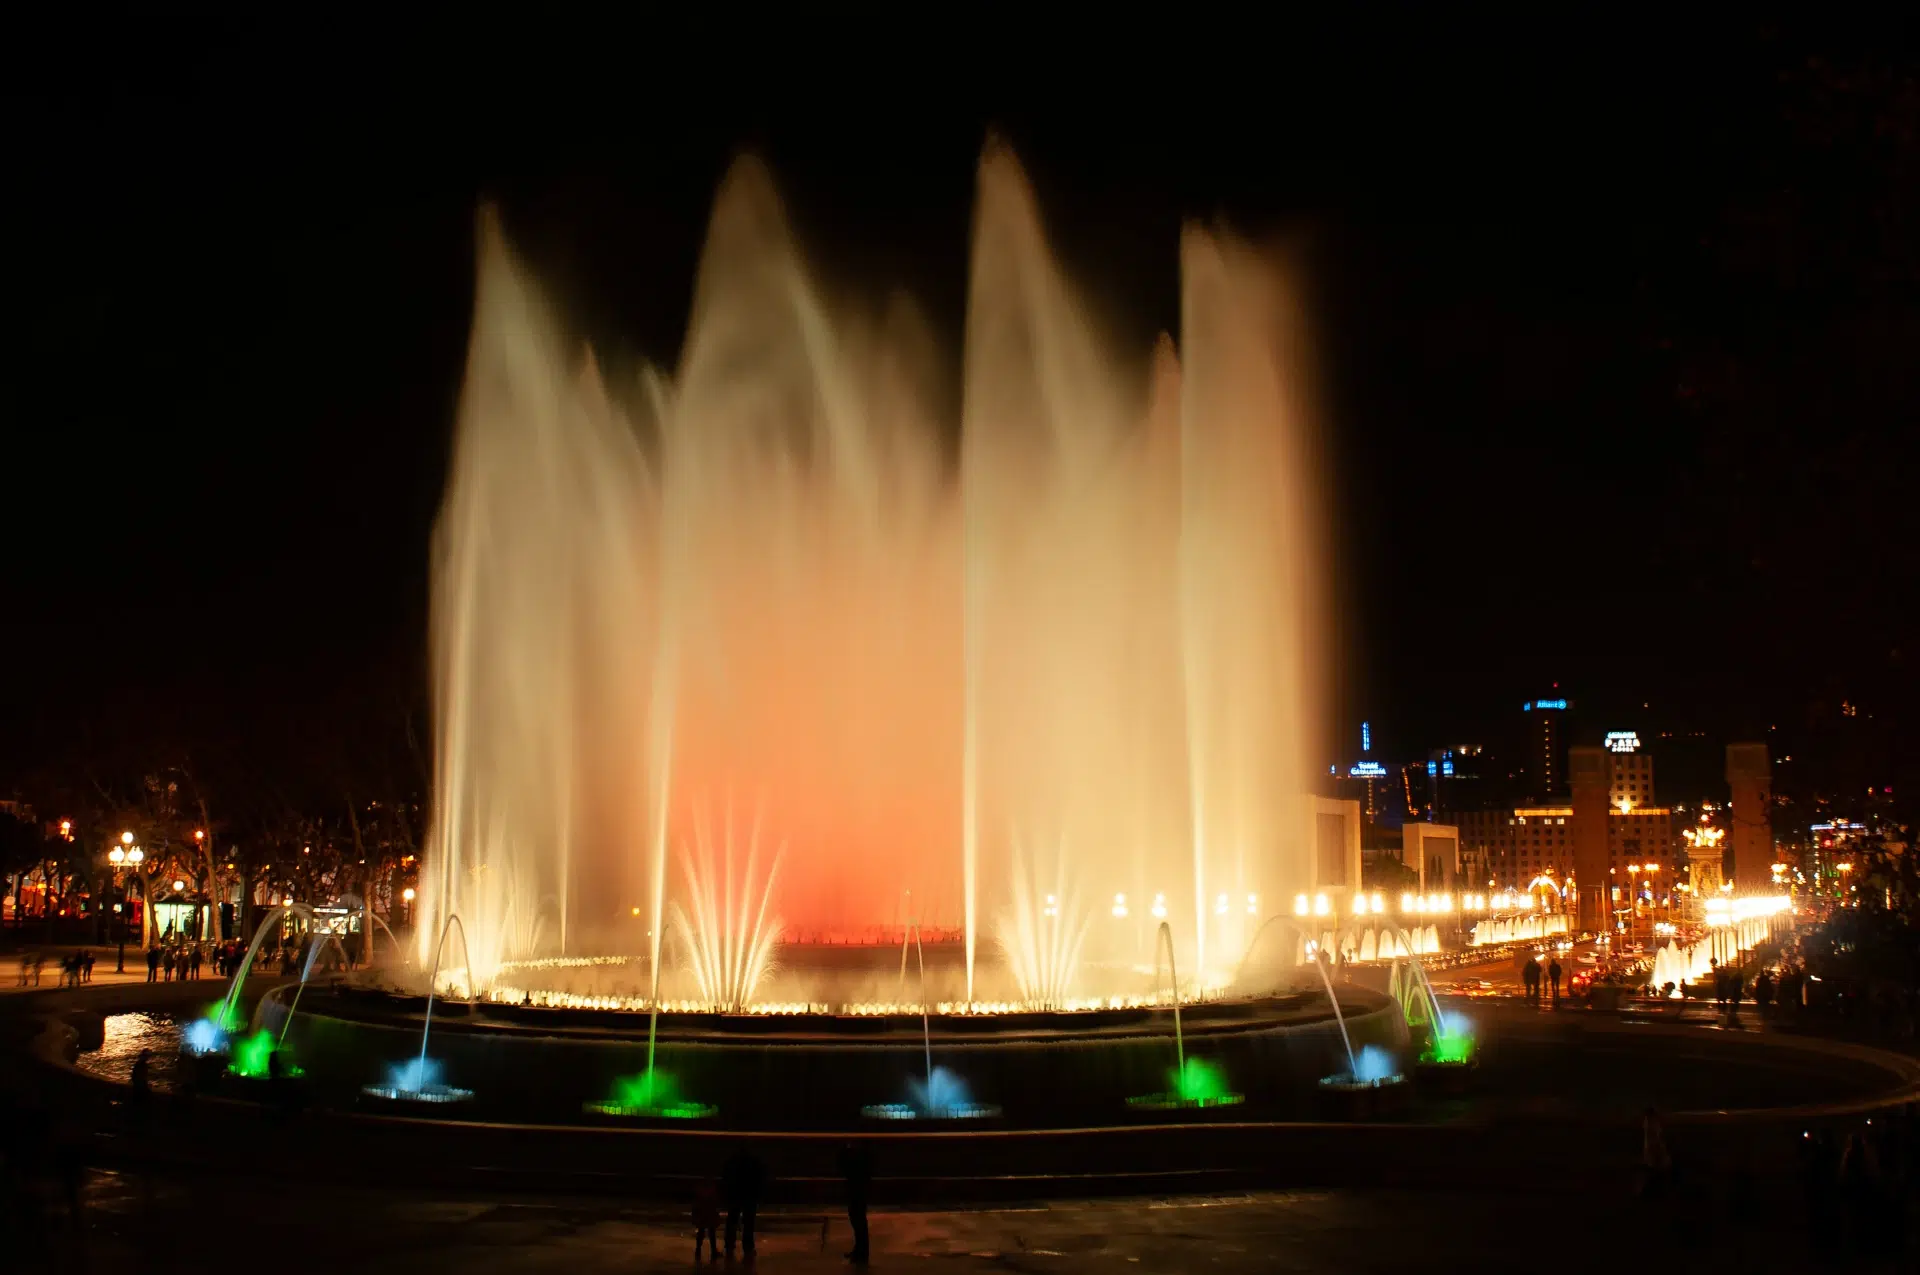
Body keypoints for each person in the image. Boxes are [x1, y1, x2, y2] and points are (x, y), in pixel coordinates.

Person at [721, 1145, 765, 1261]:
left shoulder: (732, 1163)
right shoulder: (753, 1163)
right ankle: (747, 1246)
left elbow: (726, 1177)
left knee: (732, 1220)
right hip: (749, 1194)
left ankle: (730, 1245)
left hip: (736, 1194)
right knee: (748, 1222)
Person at [839, 1140, 873, 1263]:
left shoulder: (858, 1151)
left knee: (857, 1216)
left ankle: (861, 1251)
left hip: (857, 1180)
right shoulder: (863, 1148)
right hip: (859, 1179)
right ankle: (860, 1250)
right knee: (858, 1216)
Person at [1640, 1107, 1672, 1199]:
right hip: (1655, 1158)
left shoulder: (1650, 1126)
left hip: (1654, 1158)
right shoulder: (1651, 1126)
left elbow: (1654, 1140)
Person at [692, 1180, 721, 1262]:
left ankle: (698, 1249)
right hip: (708, 1209)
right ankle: (713, 1250)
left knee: (702, 1230)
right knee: (711, 1230)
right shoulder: (710, 1188)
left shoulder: (700, 1189)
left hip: (703, 1209)